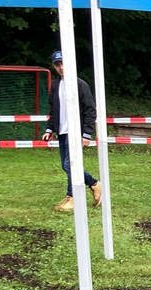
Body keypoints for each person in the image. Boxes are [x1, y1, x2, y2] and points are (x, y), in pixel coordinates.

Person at [42, 50, 100, 213]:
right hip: (62, 132)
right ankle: (93, 185)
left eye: (63, 63)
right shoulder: (55, 85)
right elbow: (54, 110)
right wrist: (49, 128)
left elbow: (90, 110)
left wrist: (86, 134)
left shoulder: (81, 85)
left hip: (77, 132)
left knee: (70, 164)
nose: (61, 67)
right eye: (57, 64)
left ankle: (75, 196)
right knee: (65, 165)